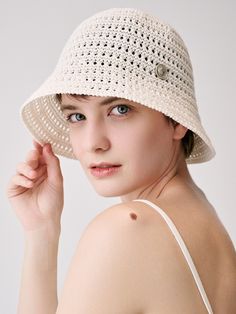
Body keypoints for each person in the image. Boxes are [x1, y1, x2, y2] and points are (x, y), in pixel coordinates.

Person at [6, 7, 236, 314]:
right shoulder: (201, 217)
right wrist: (41, 231)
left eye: (120, 110)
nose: (93, 143)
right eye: (77, 116)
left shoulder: (126, 230)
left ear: (178, 120)